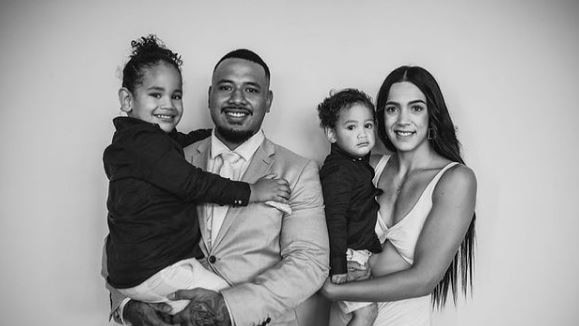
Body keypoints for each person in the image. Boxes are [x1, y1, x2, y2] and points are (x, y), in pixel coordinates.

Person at [111, 49, 330, 326]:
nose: (237, 98)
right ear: (209, 96)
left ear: (268, 100)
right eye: (226, 87)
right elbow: (125, 231)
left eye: (251, 89)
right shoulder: (171, 158)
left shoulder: (298, 170)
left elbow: (310, 263)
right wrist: (127, 306)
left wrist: (228, 308)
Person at [322, 66, 477, 326]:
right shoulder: (366, 166)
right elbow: (324, 218)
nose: (403, 120)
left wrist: (334, 289)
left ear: (432, 115)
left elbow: (424, 279)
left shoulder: (455, 180)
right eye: (393, 109)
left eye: (416, 108)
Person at [317, 89, 382, 326]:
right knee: (366, 312)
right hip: (346, 256)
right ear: (332, 133)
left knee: (343, 317)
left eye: (368, 125)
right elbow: (334, 218)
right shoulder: (339, 171)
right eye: (351, 127)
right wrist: (339, 266)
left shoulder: (356, 165)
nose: (362, 134)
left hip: (355, 254)